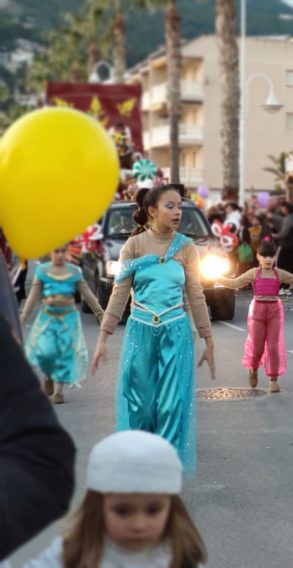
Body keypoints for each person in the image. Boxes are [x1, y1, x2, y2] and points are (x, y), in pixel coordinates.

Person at [91, 185, 216, 474]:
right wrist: (103, 338)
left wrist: (208, 338)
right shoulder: (133, 247)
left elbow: (196, 295)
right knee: (141, 406)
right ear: (152, 211)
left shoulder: (187, 247)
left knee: (171, 406)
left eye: (180, 206)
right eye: (170, 206)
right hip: (140, 332)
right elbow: (119, 295)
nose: (177, 212)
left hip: (176, 332)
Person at [24, 430, 207, 567]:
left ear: (172, 508)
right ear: (97, 507)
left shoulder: (180, 558)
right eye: (122, 511)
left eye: (153, 510)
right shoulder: (72, 554)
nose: (139, 525)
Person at [0, 318, 76, 559]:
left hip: (65, 323)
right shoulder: (42, 277)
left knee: (60, 359)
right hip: (48, 322)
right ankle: (50, 383)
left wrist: (99, 314)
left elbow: (43, 459)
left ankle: (58, 389)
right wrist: (25, 314)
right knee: (48, 358)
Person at [213, 239, 293, 393]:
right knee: (257, 349)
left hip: (275, 312)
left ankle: (273, 379)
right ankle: (254, 369)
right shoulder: (253, 273)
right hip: (257, 312)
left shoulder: (279, 274)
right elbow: (234, 283)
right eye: (264, 256)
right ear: (258, 257)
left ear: (274, 257)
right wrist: (215, 278)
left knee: (273, 347)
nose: (268, 259)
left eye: (271, 256)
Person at [20, 245, 104, 404]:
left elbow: (88, 295)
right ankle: (48, 376)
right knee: (46, 352)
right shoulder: (42, 271)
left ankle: (58, 392)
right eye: (56, 251)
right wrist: (23, 317)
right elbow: (32, 297)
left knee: (64, 355)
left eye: (63, 251)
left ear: (67, 253)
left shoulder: (74, 272)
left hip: (68, 320)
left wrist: (101, 314)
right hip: (47, 318)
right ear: (50, 253)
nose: (59, 255)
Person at [274, 202, 293, 279]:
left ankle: (285, 285)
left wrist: (274, 236)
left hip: (285, 245)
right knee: (289, 264)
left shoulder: (288, 220)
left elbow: (283, 234)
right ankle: (291, 285)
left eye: (282, 208)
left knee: (281, 265)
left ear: (286, 209)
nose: (281, 209)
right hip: (292, 244)